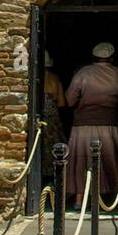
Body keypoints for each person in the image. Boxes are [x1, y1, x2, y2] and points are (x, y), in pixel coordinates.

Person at [65, 41, 118, 201]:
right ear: (112, 57)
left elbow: (70, 99)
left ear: (93, 56)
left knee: (82, 161)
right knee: (110, 162)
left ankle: (80, 198)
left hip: (83, 126)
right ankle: (112, 198)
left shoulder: (83, 73)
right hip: (109, 126)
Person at [41, 51, 66, 183]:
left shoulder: (34, 79)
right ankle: (54, 180)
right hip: (53, 120)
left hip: (39, 121)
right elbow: (62, 103)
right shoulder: (55, 79)